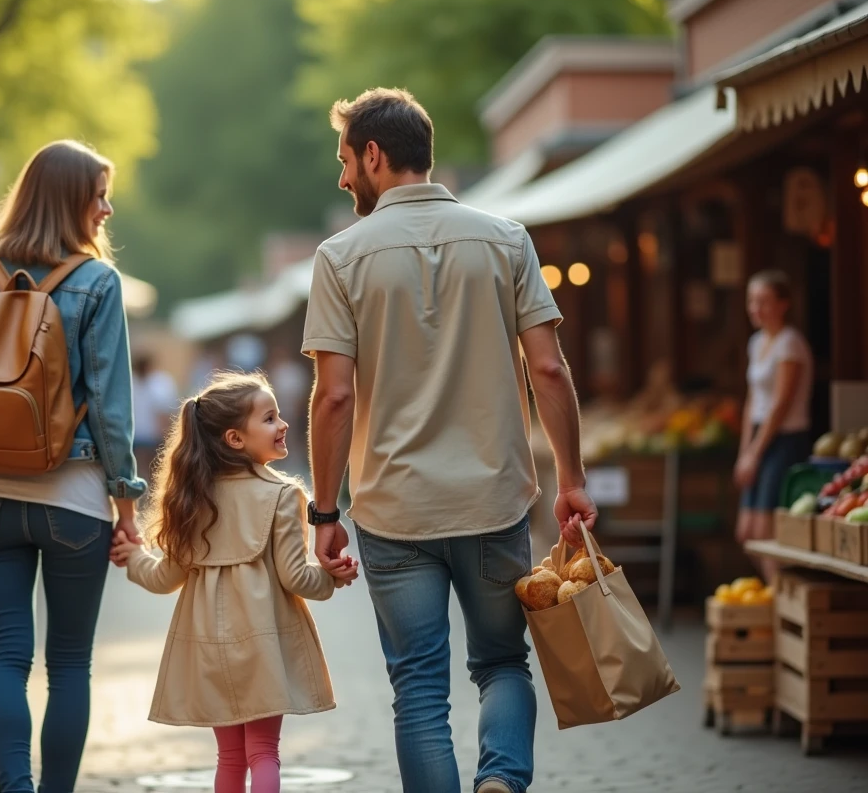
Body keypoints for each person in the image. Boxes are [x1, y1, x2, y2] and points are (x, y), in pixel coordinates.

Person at [302, 88, 597, 793]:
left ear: (374, 155)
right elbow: (549, 368)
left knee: (419, 690)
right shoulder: (506, 239)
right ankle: (500, 779)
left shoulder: (340, 258)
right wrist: (573, 480)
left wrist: (322, 511)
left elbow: (335, 395)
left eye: (345, 161)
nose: (343, 179)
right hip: (494, 501)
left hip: (393, 512)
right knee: (502, 665)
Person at [0, 140, 145, 793]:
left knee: (6, 657)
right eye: (99, 195)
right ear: (69, 199)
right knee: (70, 663)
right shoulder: (97, 282)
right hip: (73, 500)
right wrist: (126, 504)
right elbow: (109, 407)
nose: (107, 209)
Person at [111, 371, 358, 793]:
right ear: (235, 438)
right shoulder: (282, 495)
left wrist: (133, 557)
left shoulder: (192, 499)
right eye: (268, 418)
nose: (282, 425)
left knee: (229, 758)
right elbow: (298, 578)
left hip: (207, 649)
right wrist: (332, 577)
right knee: (264, 752)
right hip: (263, 647)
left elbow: (163, 577)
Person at [735, 270, 813, 579]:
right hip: (758, 437)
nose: (756, 308)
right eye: (752, 301)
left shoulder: (789, 344)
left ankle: (781, 606)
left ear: (784, 304)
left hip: (785, 438)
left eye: (764, 301)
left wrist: (755, 453)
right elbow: (753, 401)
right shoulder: (756, 342)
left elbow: (780, 405)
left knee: (765, 533)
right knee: (747, 533)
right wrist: (745, 452)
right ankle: (777, 600)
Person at [131, 353, 179, 481]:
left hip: (146, 436)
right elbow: (164, 413)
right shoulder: (160, 383)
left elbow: (163, 413)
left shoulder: (158, 382)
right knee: (151, 473)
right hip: (142, 436)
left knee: (147, 472)